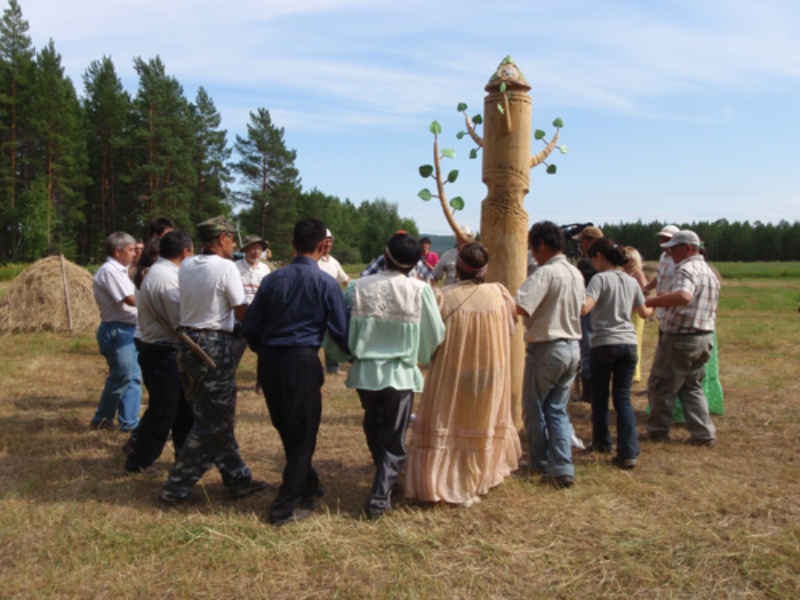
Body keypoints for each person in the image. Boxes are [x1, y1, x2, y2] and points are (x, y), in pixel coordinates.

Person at [326, 232, 445, 519]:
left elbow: (337, 330)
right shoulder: (419, 291)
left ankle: (384, 477)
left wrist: (346, 354)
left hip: (365, 373)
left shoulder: (356, 287)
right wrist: (420, 354)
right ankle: (380, 495)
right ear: (416, 261)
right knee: (394, 435)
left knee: (373, 423)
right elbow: (434, 335)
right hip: (400, 373)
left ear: (385, 255)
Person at [243, 219, 350, 526]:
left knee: (288, 427)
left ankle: (309, 483)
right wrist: (356, 354)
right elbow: (340, 332)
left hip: (270, 362)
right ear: (321, 247)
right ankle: (284, 507)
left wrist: (263, 351)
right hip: (301, 362)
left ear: (293, 244)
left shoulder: (272, 280)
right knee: (302, 434)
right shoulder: (326, 283)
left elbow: (251, 326)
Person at [160, 216, 267, 504]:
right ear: (222, 239)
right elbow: (241, 311)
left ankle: (238, 478)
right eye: (232, 238)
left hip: (187, 343)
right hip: (212, 345)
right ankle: (175, 487)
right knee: (213, 423)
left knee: (211, 415)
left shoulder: (188, 265)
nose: (235, 244)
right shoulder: (226, 267)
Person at [405, 242, 520, 505]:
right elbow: (511, 328)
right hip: (491, 372)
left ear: (457, 267)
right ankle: (479, 477)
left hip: (453, 373)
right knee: (481, 422)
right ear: (484, 268)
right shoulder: (500, 294)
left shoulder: (442, 296)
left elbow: (430, 339)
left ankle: (446, 479)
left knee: (452, 422)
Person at [515, 221, 584, 488]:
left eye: (533, 248)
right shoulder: (575, 273)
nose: (533, 253)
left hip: (547, 347)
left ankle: (540, 463)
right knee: (556, 409)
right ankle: (562, 466)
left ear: (541, 245)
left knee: (534, 410)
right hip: (572, 348)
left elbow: (520, 306)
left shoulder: (545, 274)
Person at [124, 231, 195, 475]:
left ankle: (184, 458)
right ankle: (139, 461)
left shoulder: (159, 272)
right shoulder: (166, 279)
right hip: (162, 351)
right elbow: (180, 320)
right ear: (185, 252)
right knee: (163, 411)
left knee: (181, 409)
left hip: (160, 349)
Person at [581, 239, 653, 469]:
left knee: (600, 398)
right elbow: (644, 313)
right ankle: (628, 451)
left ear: (600, 256)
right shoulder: (631, 282)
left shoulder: (600, 279)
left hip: (603, 344)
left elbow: (585, 308)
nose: (593, 264)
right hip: (629, 345)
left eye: (593, 259)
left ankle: (602, 442)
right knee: (622, 399)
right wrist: (660, 302)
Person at [644, 230, 720, 446]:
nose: (670, 253)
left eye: (674, 248)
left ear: (688, 248)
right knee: (691, 386)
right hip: (704, 337)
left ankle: (657, 431)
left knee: (661, 385)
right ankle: (704, 433)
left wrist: (651, 302)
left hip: (681, 338)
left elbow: (684, 295)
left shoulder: (686, 269)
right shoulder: (708, 271)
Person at [91, 232, 142, 432]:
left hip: (127, 328)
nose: (134, 254)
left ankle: (129, 422)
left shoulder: (120, 271)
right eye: (130, 250)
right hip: (117, 330)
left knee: (132, 376)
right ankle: (102, 418)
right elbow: (129, 299)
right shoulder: (110, 271)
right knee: (122, 375)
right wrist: (154, 303)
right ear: (117, 251)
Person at [572, 225, 604, 403]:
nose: (580, 245)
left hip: (587, 309)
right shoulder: (604, 262)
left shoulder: (586, 264)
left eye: (582, 241)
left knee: (586, 349)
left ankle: (588, 393)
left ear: (590, 241)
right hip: (601, 310)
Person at [232, 234, 271, 369]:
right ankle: (229, 377)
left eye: (259, 249)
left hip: (259, 314)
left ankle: (261, 382)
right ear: (246, 250)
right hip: (239, 315)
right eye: (253, 248)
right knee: (235, 349)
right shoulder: (235, 267)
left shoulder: (265, 269)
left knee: (263, 350)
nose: (256, 252)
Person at [318, 229, 350, 374]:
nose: (328, 243)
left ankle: (332, 367)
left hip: (331, 306)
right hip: (316, 306)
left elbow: (346, 280)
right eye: (326, 240)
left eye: (330, 240)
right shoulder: (314, 261)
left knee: (332, 336)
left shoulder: (334, 262)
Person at [621, 246, 649, 382]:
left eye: (628, 257)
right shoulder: (621, 272)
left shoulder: (637, 273)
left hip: (635, 311)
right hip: (624, 310)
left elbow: (645, 290)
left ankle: (634, 373)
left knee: (635, 341)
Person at [644, 225, 680, 321]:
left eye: (667, 239)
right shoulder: (663, 256)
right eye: (661, 239)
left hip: (674, 304)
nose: (663, 242)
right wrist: (647, 288)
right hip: (662, 303)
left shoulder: (679, 259)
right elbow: (660, 275)